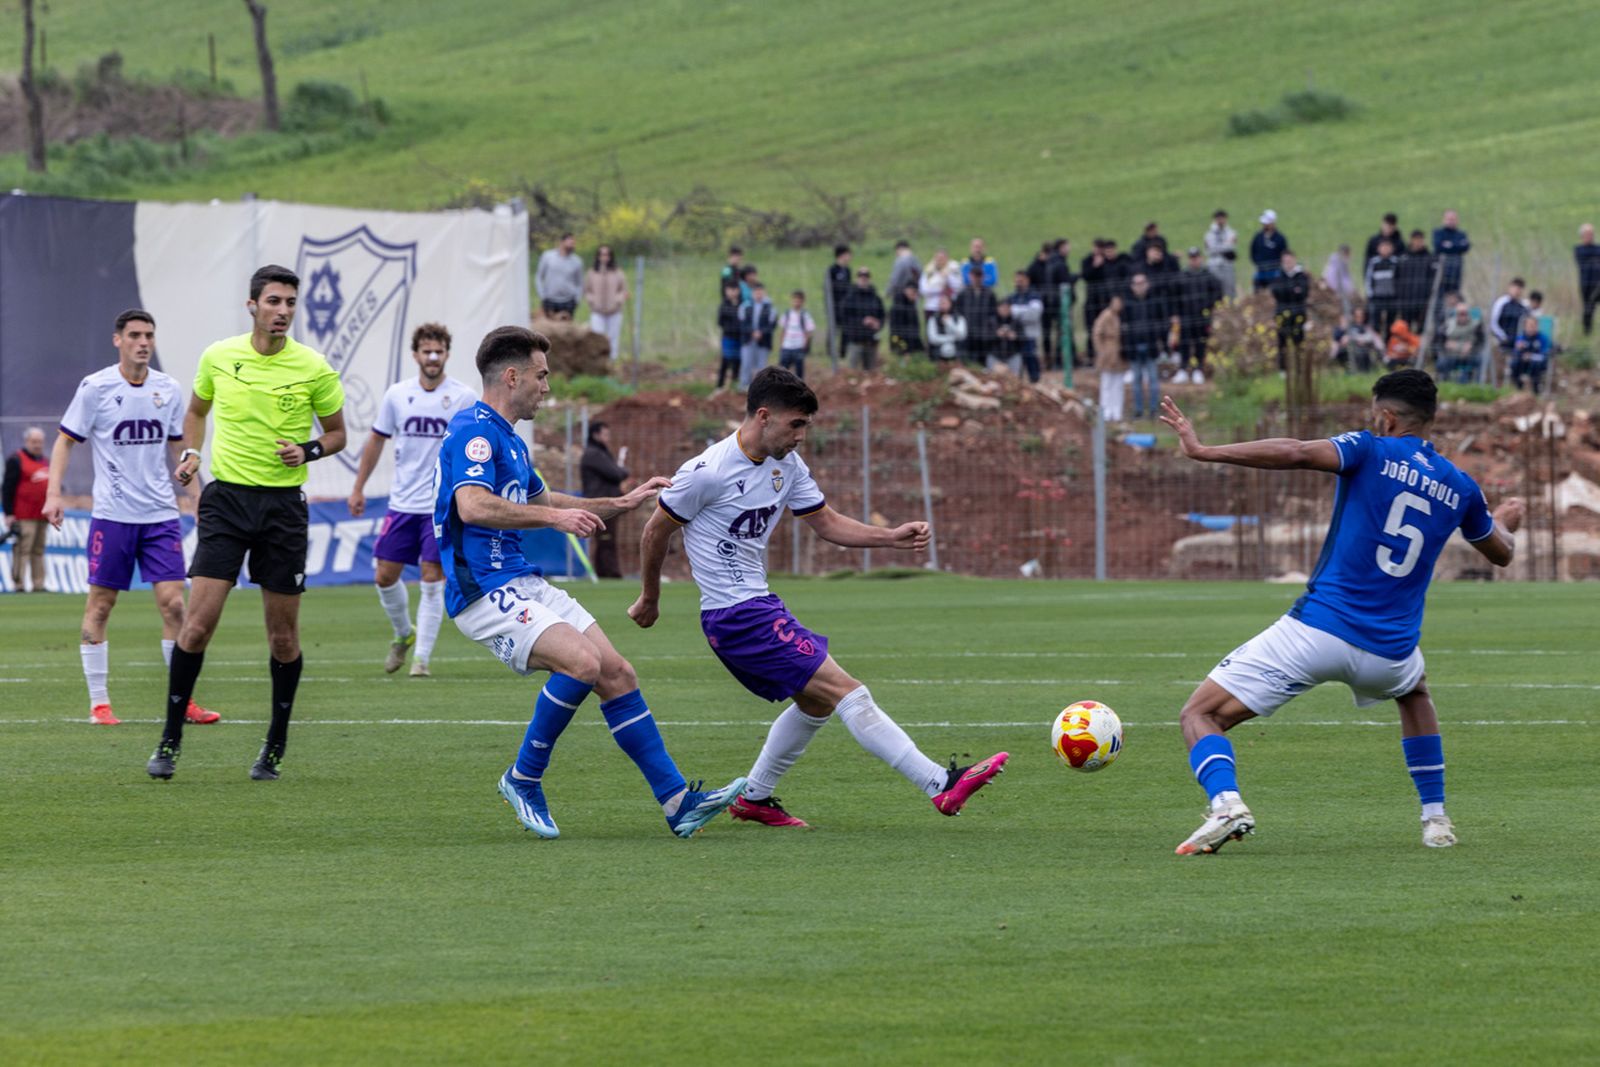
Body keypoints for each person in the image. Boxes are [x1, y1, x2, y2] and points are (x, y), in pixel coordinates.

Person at [1157, 372, 1524, 856]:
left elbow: (1295, 452)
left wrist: (1206, 450)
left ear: (1387, 417)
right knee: (1414, 692)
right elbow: (1501, 553)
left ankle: (1226, 804)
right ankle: (1435, 820)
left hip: (1317, 632)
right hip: (1388, 654)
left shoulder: (1369, 449)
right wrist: (1504, 520)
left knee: (1200, 714)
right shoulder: (1461, 486)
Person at [629, 366, 1008, 828]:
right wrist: (650, 598)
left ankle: (754, 797)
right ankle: (939, 784)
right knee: (847, 691)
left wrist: (890, 537)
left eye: (806, 426)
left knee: (817, 702)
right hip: (736, 617)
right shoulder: (706, 473)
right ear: (763, 416)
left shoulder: (786, 465)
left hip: (757, 607)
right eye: (796, 424)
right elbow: (655, 532)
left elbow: (826, 522)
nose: (802, 436)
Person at [437, 325, 744, 839]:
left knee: (617, 673)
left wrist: (619, 504)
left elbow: (547, 501)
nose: (547, 387)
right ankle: (523, 778)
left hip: (520, 580)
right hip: (483, 588)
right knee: (581, 664)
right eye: (541, 376)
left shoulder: (507, 438)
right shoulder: (473, 430)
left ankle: (677, 803)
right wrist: (554, 523)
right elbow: (471, 506)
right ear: (511, 377)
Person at [146, 264, 347, 782]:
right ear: (252, 305)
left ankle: (274, 747)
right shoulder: (219, 356)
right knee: (197, 624)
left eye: (290, 303)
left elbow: (339, 434)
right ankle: (169, 739)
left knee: (283, 639)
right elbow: (195, 411)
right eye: (274, 301)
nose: (283, 311)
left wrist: (307, 449)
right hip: (226, 504)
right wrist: (191, 452)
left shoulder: (314, 367)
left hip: (283, 509)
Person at [40, 310, 218, 725]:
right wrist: (54, 495)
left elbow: (180, 449)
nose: (143, 342)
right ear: (117, 340)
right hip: (112, 517)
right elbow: (65, 442)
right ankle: (99, 703)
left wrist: (197, 496)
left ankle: (182, 700)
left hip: (160, 516)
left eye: (149, 335)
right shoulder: (96, 387)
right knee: (101, 607)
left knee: (175, 607)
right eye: (135, 335)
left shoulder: (168, 389)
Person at [347, 322, 477, 677]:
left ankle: (421, 659)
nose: (432, 357)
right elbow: (376, 441)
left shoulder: (464, 397)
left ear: (447, 354)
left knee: (431, 578)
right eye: (426, 351)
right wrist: (358, 487)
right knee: (384, 576)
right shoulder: (397, 395)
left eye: (439, 351)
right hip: (402, 503)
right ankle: (404, 634)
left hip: (440, 506)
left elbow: (475, 444)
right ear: (416, 355)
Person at [580, 421, 629, 579]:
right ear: (596, 435)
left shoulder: (600, 453)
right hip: (600, 503)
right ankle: (610, 573)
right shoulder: (594, 454)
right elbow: (615, 473)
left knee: (606, 539)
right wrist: (623, 471)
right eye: (605, 434)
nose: (608, 438)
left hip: (605, 501)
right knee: (606, 539)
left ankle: (604, 572)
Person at [1122, 272, 1174, 419]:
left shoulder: (1155, 302)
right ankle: (1138, 411)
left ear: (1147, 284)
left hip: (1151, 347)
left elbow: (1162, 324)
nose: (1139, 287)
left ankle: (1153, 410)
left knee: (1153, 379)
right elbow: (1124, 328)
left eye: (1142, 283)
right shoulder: (1128, 304)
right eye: (1136, 284)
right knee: (1136, 380)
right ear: (1132, 287)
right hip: (1134, 347)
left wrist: (1161, 344)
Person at [3, 426, 49, 592]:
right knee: (23, 549)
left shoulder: (44, 461)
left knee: (38, 550)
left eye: (40, 442)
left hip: (42, 515)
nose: (37, 445)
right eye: (34, 441)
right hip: (23, 515)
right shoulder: (16, 460)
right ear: (27, 441)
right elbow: (7, 488)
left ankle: (39, 584)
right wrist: (9, 513)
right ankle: (19, 584)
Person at [1175, 247, 1224, 383]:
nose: (1194, 261)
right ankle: (1183, 369)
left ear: (1200, 258)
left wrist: (1209, 306)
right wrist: (1177, 312)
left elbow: (1218, 292)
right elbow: (1175, 295)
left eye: (1196, 258)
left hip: (1202, 316)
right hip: (1186, 315)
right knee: (1184, 343)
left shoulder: (1207, 275)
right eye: (1192, 258)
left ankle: (1198, 369)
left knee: (1200, 343)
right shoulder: (1182, 276)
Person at [583, 244, 628, 357]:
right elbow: (587, 290)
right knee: (598, 337)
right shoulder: (592, 273)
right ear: (598, 256)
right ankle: (599, 362)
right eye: (602, 254)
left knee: (613, 338)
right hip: (597, 311)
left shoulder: (618, 273)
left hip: (614, 311)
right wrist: (592, 300)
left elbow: (623, 290)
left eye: (607, 254)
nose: (604, 257)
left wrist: (618, 300)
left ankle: (613, 361)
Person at [1270, 251, 1312, 372]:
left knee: (1299, 342)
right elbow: (1277, 292)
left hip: (1299, 314)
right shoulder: (1278, 276)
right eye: (1285, 261)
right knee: (1282, 343)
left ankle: (1299, 369)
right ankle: (1283, 370)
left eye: (1289, 261)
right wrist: (1293, 289)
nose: (1287, 264)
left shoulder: (1302, 276)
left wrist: (1288, 290)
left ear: (1294, 260)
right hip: (1282, 315)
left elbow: (1303, 293)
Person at [838, 268, 885, 371]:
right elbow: (845, 319)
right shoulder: (849, 298)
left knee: (871, 372)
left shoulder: (875, 298)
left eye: (866, 276)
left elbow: (882, 316)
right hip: (855, 341)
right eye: (861, 276)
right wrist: (862, 322)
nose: (864, 279)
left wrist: (878, 323)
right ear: (857, 278)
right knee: (852, 372)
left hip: (871, 341)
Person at [1395, 231, 1437, 339]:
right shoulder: (1403, 257)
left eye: (1420, 240)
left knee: (1421, 329)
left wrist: (1428, 296)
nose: (1418, 243)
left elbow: (1434, 280)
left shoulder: (1430, 258)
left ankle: (1420, 353)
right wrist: (1399, 296)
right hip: (1405, 301)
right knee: (1404, 328)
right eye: (1415, 240)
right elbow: (1396, 278)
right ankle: (1406, 352)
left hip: (1423, 301)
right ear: (1411, 241)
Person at [953, 270, 999, 367]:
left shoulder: (989, 293)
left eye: (979, 276)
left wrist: (990, 326)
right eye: (975, 276)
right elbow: (957, 311)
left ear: (982, 277)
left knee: (983, 360)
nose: (977, 279)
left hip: (984, 333)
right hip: (967, 332)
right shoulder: (963, 293)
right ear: (970, 276)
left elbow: (994, 313)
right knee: (968, 358)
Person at [1005, 270, 1043, 381]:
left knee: (1031, 360)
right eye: (1016, 281)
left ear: (1027, 280)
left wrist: (1015, 311)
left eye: (1020, 281)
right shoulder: (1012, 297)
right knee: (1016, 365)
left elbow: (1034, 314)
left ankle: (1035, 382)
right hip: (1015, 336)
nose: (1018, 283)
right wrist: (1024, 311)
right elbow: (1006, 313)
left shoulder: (1034, 296)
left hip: (1030, 334)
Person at [1093, 294, 1126, 422]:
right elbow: (1097, 333)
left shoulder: (1121, 316)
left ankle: (1116, 411)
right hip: (1108, 353)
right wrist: (1101, 351)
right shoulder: (1106, 315)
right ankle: (1106, 411)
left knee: (1118, 384)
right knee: (1106, 383)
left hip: (1119, 354)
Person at [1489, 278, 1528, 385]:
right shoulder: (1501, 303)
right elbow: (1493, 323)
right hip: (1504, 340)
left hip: (1519, 341)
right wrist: (1503, 337)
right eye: (1515, 287)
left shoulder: (1524, 306)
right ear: (1509, 288)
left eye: (1520, 288)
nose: (1517, 290)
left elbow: (1529, 325)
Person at [738, 282, 776, 389]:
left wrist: (761, 332)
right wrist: (752, 332)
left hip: (763, 341)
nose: (758, 295)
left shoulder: (770, 308)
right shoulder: (745, 306)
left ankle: (760, 387)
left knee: (761, 365)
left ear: (764, 293)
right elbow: (742, 323)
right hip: (748, 340)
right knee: (746, 363)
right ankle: (744, 385)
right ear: (752, 293)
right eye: (756, 292)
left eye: (760, 292)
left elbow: (772, 325)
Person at [535, 233, 584, 318]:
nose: (572, 245)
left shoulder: (577, 261)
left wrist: (577, 299)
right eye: (570, 243)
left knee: (565, 329)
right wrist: (543, 296)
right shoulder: (547, 256)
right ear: (561, 242)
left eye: (573, 243)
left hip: (568, 301)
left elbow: (580, 282)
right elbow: (539, 277)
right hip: (549, 300)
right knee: (548, 328)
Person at [918, 248, 963, 330]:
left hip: (950, 308)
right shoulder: (928, 271)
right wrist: (940, 288)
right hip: (932, 307)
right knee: (931, 332)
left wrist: (947, 275)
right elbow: (924, 289)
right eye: (938, 258)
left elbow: (958, 286)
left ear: (947, 259)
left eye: (942, 258)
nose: (940, 261)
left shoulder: (953, 268)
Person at [1364, 238, 1401, 339]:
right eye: (1383, 247)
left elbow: (1400, 280)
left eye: (1387, 247)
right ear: (1378, 248)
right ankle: (1377, 346)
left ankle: (1388, 347)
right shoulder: (1374, 262)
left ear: (1392, 248)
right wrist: (1370, 294)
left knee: (1391, 325)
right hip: (1377, 298)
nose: (1385, 249)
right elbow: (1368, 279)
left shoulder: (1396, 262)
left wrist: (1397, 295)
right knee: (1376, 324)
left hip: (1391, 298)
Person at [1438, 302, 1483, 382]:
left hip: (1470, 355)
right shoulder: (1448, 325)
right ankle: (1445, 383)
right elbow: (1441, 342)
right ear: (1456, 314)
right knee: (1441, 363)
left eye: (1464, 313)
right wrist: (1449, 346)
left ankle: (1477, 385)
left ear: (1468, 314)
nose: (1462, 316)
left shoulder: (1476, 325)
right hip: (1452, 355)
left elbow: (1481, 342)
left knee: (1481, 360)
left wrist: (1472, 346)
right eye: (1460, 313)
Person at [1431, 211, 1471, 301]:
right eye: (1449, 219)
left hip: (1456, 271)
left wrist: (1449, 245)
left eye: (1453, 219)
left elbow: (1466, 246)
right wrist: (1457, 246)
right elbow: (1438, 246)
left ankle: (1452, 313)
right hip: (1440, 271)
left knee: (1454, 296)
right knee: (1439, 297)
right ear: (1444, 220)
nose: (1451, 221)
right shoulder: (1438, 233)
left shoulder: (1461, 234)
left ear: (1457, 221)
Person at [775, 290, 816, 379]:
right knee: (782, 371)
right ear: (791, 301)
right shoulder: (787, 314)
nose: (796, 303)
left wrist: (804, 345)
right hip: (786, 346)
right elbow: (782, 330)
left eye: (799, 301)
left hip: (798, 347)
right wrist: (782, 344)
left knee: (799, 372)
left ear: (802, 302)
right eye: (795, 300)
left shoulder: (805, 315)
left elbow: (808, 332)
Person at [1334, 306, 1384, 373]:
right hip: (1351, 351)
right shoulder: (1349, 327)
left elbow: (1377, 342)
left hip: (1366, 351)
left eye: (1361, 315)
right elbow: (1341, 340)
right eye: (1357, 316)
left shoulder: (1368, 327)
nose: (1360, 318)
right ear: (1353, 316)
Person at [826, 244, 853, 364]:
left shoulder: (848, 270)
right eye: (848, 254)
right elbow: (828, 290)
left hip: (846, 306)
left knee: (846, 329)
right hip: (834, 306)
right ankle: (830, 351)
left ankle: (843, 352)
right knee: (833, 329)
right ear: (842, 255)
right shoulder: (832, 270)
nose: (850, 257)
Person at [1510, 314, 1551, 394]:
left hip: (1537, 364)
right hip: (1523, 363)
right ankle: (1519, 387)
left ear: (1537, 326)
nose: (1531, 328)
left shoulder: (1543, 339)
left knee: (1536, 364)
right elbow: (1515, 352)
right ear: (1525, 327)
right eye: (1529, 326)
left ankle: (1536, 389)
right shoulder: (1521, 338)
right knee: (1515, 363)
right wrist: (1518, 349)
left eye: (1533, 325)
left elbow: (1545, 354)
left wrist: (1531, 356)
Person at [1249, 210, 1288, 292]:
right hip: (1261, 271)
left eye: (1267, 223)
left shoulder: (1280, 238)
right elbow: (1252, 251)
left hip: (1275, 272)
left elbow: (1284, 254)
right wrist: (1258, 263)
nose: (1265, 225)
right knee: (1258, 293)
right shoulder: (1258, 237)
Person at [1203, 209, 1238, 298]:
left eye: (1222, 218)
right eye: (1219, 218)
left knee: (1229, 288)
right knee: (1215, 287)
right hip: (1214, 263)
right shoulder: (1209, 234)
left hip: (1227, 263)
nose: (1221, 221)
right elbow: (1210, 249)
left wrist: (1220, 247)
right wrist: (1225, 245)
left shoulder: (1231, 232)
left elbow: (1231, 246)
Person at [716, 282, 743, 390]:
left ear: (738, 291)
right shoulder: (723, 305)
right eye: (730, 290)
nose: (732, 292)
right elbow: (720, 322)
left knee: (738, 361)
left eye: (734, 289)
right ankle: (720, 385)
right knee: (725, 361)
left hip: (740, 338)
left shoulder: (743, 304)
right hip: (728, 337)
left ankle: (734, 383)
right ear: (726, 291)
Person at [889, 282, 925, 358]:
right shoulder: (898, 306)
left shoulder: (912, 305)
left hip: (911, 344)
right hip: (899, 344)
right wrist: (904, 350)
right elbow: (896, 332)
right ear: (907, 290)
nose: (915, 295)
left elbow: (915, 329)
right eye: (914, 292)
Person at [1575, 224, 1600, 337]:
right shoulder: (1578, 249)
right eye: (1587, 234)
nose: (1590, 236)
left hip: (1598, 283)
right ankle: (1587, 333)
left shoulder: (1597, 248)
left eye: (1591, 234)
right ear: (1582, 236)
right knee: (1588, 309)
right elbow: (1582, 261)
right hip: (1586, 285)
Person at [926, 294, 967, 362]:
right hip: (938, 354)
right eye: (940, 303)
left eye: (944, 303)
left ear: (951, 303)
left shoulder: (959, 317)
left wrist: (949, 323)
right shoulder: (933, 318)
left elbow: (962, 335)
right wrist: (951, 338)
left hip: (957, 354)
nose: (942, 305)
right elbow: (932, 338)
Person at [1322, 244, 1358, 315]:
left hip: (1337, 292)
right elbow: (1341, 280)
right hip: (1338, 293)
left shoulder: (1334, 262)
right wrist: (1351, 290)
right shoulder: (1339, 264)